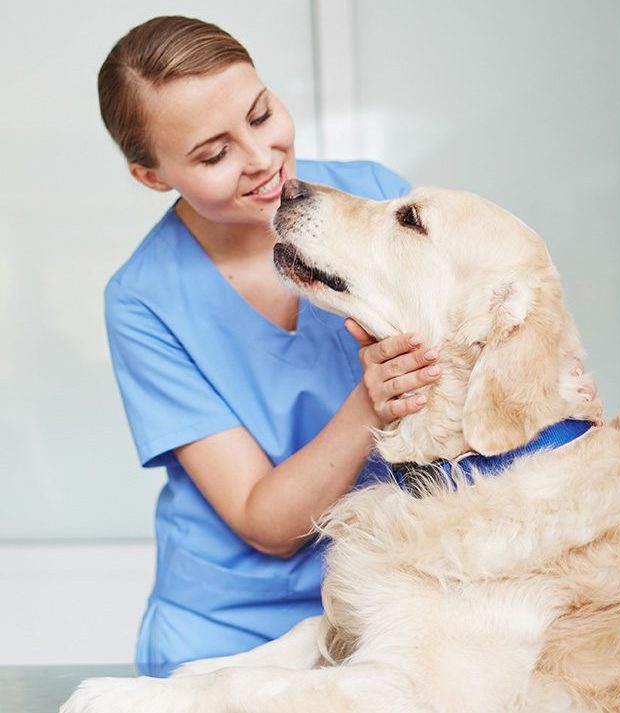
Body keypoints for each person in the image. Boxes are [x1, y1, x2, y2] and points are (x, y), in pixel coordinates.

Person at [97, 16, 442, 677]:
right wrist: (370, 402)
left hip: (388, 599)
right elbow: (266, 521)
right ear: (151, 175)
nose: (260, 158)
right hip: (232, 633)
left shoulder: (374, 197)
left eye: (260, 114)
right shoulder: (142, 299)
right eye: (211, 154)